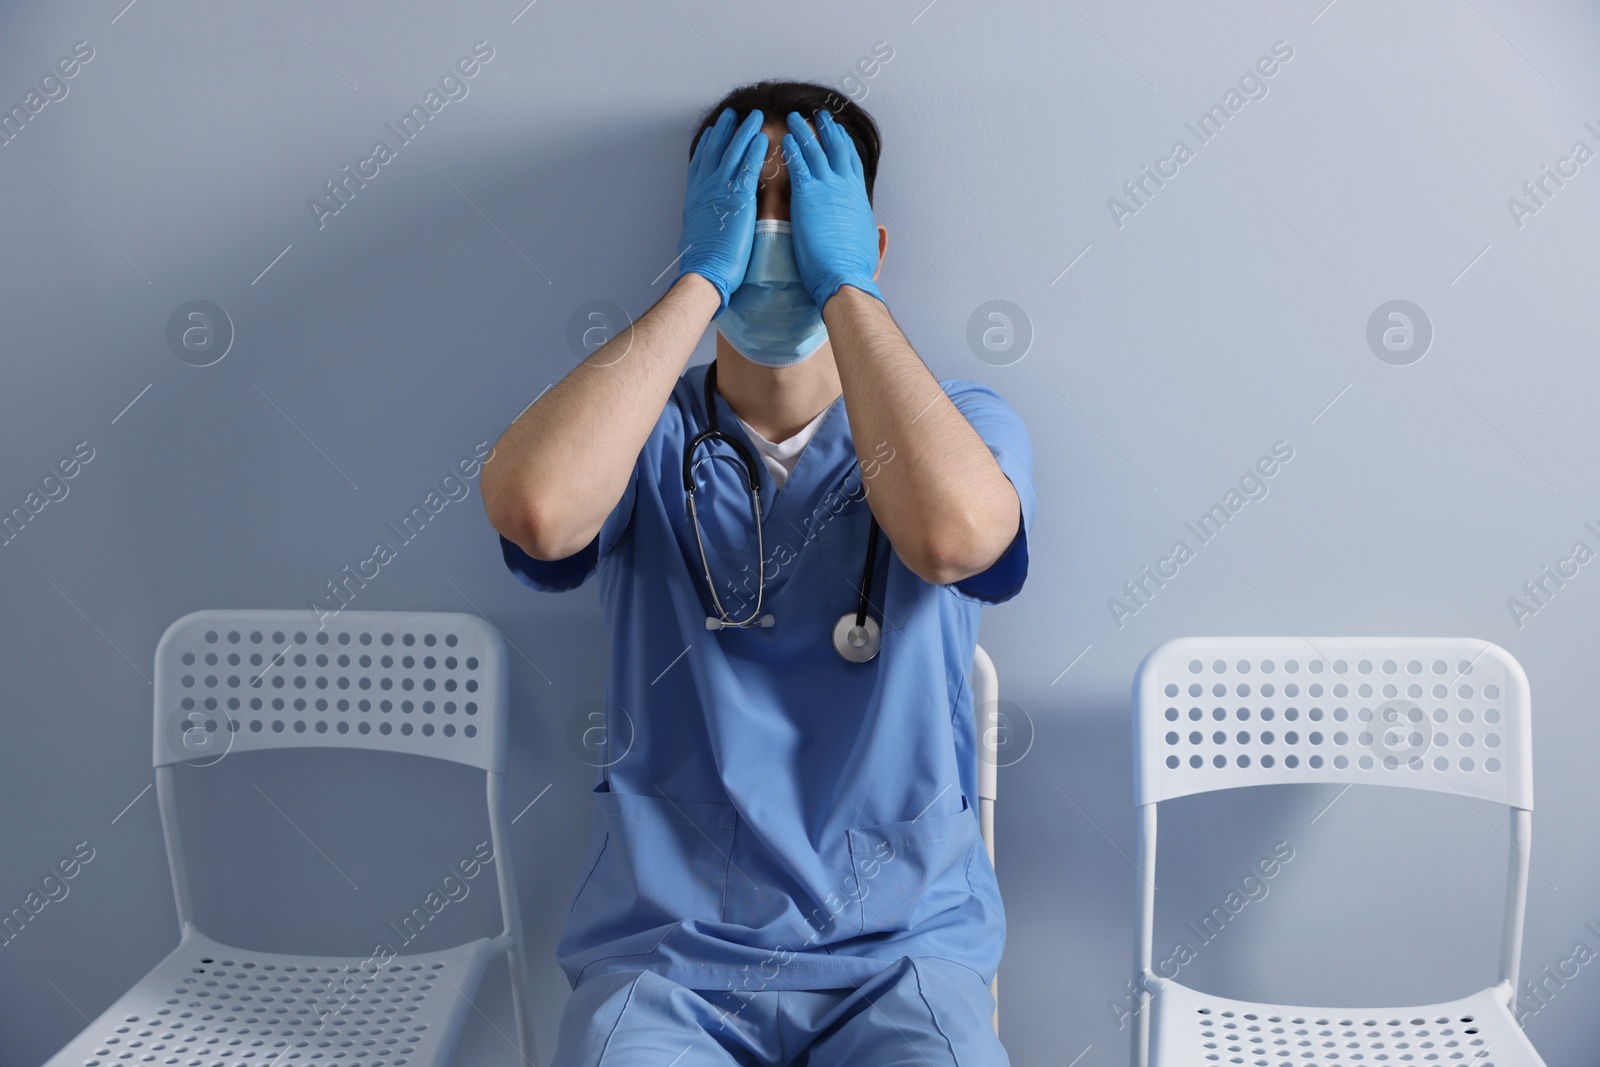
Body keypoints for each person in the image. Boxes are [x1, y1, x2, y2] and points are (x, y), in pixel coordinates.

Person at [482, 80, 1035, 1066]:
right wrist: (700, 278)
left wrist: (844, 286)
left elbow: (954, 540)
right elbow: (538, 510)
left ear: (868, 238)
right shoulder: (639, 435)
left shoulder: (962, 424)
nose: (771, 231)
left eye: (801, 206)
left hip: (900, 954)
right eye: (747, 202)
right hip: (669, 958)